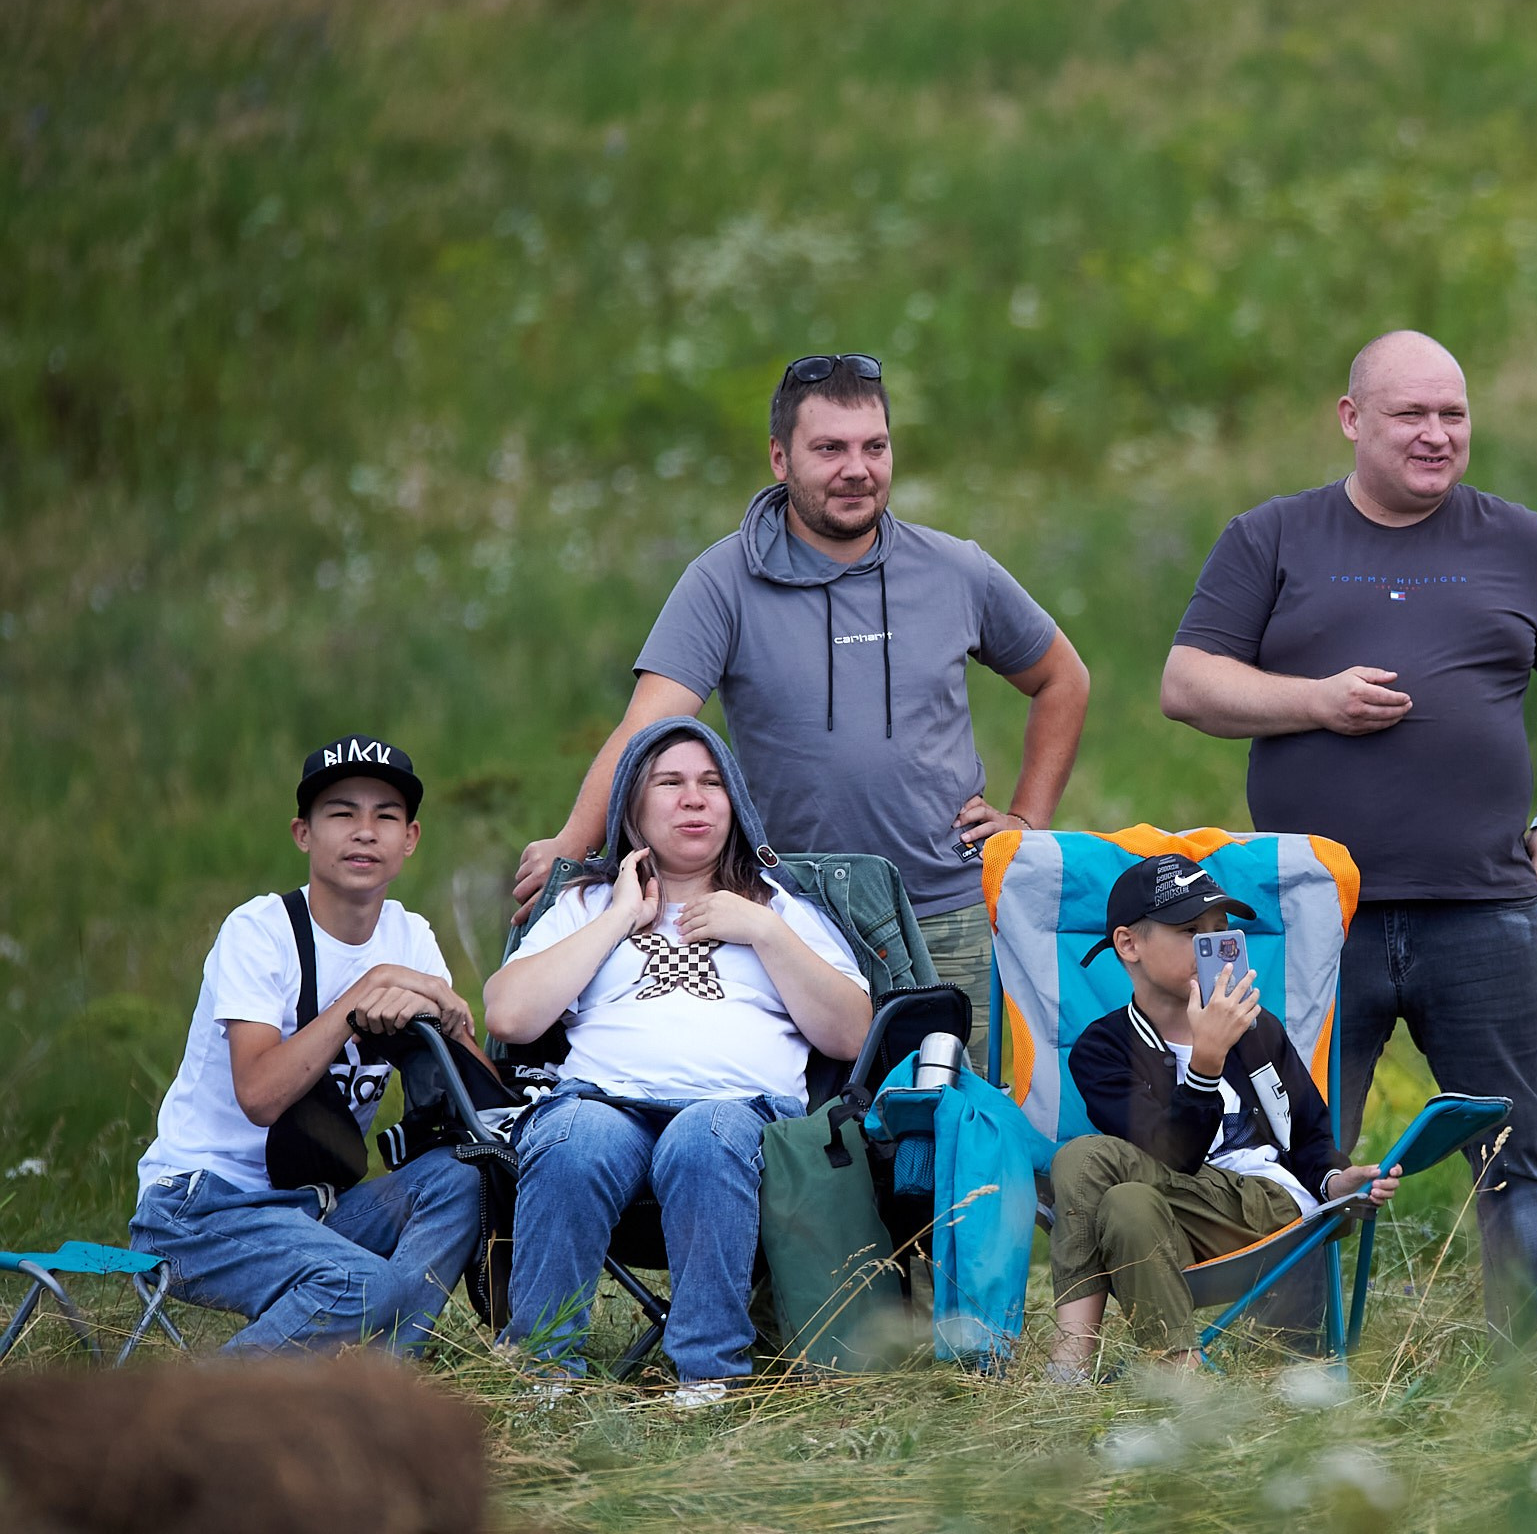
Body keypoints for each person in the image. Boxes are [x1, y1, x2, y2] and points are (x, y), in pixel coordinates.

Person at [1162, 329, 1537, 1341]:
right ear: (1351, 419)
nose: (1435, 434)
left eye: (1452, 414)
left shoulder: (1518, 542)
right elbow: (1186, 684)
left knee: (1521, 1153)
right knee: (1287, 1152)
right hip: (1314, 913)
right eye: (1410, 414)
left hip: (1484, 908)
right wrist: (1313, 702)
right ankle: (1295, 1372)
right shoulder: (1272, 538)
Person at [514, 354, 1088, 1074]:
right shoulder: (722, 581)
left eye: (874, 447)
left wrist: (1027, 827)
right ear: (780, 457)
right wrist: (573, 845)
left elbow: (1063, 679)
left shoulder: (955, 570)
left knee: (958, 1138)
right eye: (830, 449)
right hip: (798, 919)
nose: (857, 469)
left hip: (951, 912)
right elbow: (646, 732)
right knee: (820, 1149)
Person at [488, 718, 875, 1401]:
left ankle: (708, 1374)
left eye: (711, 783)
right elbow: (510, 1015)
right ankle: (541, 1370)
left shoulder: (780, 906)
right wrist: (617, 917)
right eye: (669, 783)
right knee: (571, 1141)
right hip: (603, 1103)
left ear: (735, 806)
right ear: (631, 810)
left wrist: (762, 931)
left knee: (704, 1139)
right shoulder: (585, 903)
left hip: (738, 1110)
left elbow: (850, 1034)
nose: (694, 799)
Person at [130, 735, 484, 1354]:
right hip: (199, 1209)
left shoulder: (411, 937)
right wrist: (366, 993)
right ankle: (173, 1423)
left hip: (313, 1210)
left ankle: (376, 1385)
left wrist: (454, 1026)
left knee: (461, 1177)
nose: (365, 832)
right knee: (364, 1285)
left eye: (386, 816)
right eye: (342, 813)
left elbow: (471, 1103)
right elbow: (261, 1096)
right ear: (303, 834)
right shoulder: (259, 931)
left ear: (411, 839)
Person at [1047, 855, 1400, 1379]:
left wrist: (1333, 1179)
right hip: (1181, 1220)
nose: (1214, 947)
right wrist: (1204, 1064)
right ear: (1129, 945)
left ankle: (1070, 1359)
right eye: (1190, 932)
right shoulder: (1103, 1049)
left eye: (1220, 931)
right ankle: (1180, 1376)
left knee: (1082, 1156)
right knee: (1125, 1204)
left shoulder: (1258, 1030)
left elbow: (1307, 1135)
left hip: (1272, 1211)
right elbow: (1174, 1158)